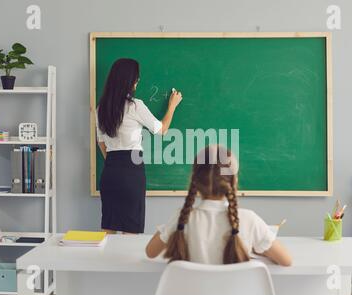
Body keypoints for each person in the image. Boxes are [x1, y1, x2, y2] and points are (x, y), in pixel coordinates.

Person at [145, 145, 292, 266]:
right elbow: (286, 261)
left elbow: (150, 252)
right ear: (234, 180)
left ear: (194, 180)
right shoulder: (249, 220)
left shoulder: (181, 219)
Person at [96, 58, 182, 234]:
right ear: (130, 81)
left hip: (110, 170)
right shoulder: (135, 106)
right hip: (131, 169)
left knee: (108, 229)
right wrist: (172, 106)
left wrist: (114, 163)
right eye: (136, 78)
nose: (137, 81)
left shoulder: (101, 108)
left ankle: (106, 262)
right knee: (131, 230)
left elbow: (101, 142)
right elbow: (162, 130)